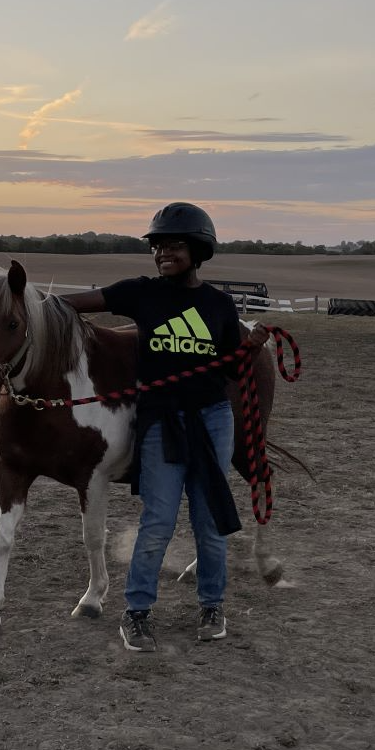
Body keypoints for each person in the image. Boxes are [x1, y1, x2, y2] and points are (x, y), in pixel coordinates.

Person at [60, 202, 269, 652]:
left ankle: (212, 604)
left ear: (198, 251)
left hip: (212, 419)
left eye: (173, 246)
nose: (162, 254)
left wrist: (250, 348)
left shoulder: (217, 305)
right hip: (160, 422)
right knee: (157, 522)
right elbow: (73, 304)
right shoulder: (141, 293)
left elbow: (231, 372)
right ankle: (136, 613)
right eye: (157, 247)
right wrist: (26, 303)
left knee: (209, 520)